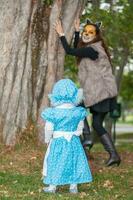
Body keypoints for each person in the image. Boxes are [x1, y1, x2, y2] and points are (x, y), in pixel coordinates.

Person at [55, 19, 121, 167]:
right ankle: (114, 155)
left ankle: (88, 138)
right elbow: (77, 48)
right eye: (86, 32)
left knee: (76, 105)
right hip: (105, 94)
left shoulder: (92, 50)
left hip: (99, 93)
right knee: (97, 124)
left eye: (91, 32)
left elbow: (70, 51)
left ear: (96, 35)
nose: (87, 34)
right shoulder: (93, 48)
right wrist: (77, 31)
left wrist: (61, 34)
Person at [41, 79, 93, 194]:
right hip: (74, 141)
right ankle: (73, 186)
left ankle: (52, 186)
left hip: (58, 141)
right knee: (74, 161)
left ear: (56, 93)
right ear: (74, 94)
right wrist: (77, 133)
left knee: (55, 161)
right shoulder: (77, 112)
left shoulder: (53, 112)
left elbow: (48, 127)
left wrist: (47, 138)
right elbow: (80, 126)